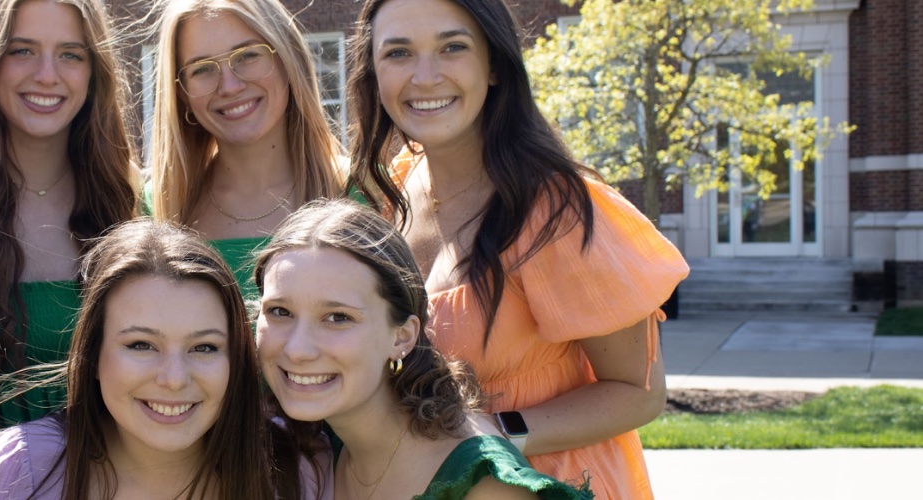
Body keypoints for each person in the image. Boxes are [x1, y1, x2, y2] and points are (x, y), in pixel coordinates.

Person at [345, 0, 689, 497]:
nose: (424, 76)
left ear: (494, 67)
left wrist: (494, 434)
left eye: (453, 47)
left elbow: (638, 394)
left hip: (547, 484)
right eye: (398, 53)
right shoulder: (396, 188)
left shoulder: (555, 211)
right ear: (373, 75)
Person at [255, 199, 590, 500]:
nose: (297, 349)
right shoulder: (323, 440)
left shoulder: (482, 485)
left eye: (337, 317)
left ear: (402, 336)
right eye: (280, 312)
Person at [0, 219, 318, 500]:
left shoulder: (292, 471)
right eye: (141, 345)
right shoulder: (25, 471)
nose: (174, 378)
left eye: (204, 347)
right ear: (92, 355)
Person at [0, 0, 141, 428]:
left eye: (71, 54)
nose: (48, 74)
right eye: (22, 50)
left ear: (94, 71)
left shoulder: (133, 199)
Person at [146, 0, 347, 302]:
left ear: (287, 60)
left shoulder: (364, 191)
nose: (229, 86)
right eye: (202, 69)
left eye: (248, 55)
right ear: (182, 94)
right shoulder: (150, 209)